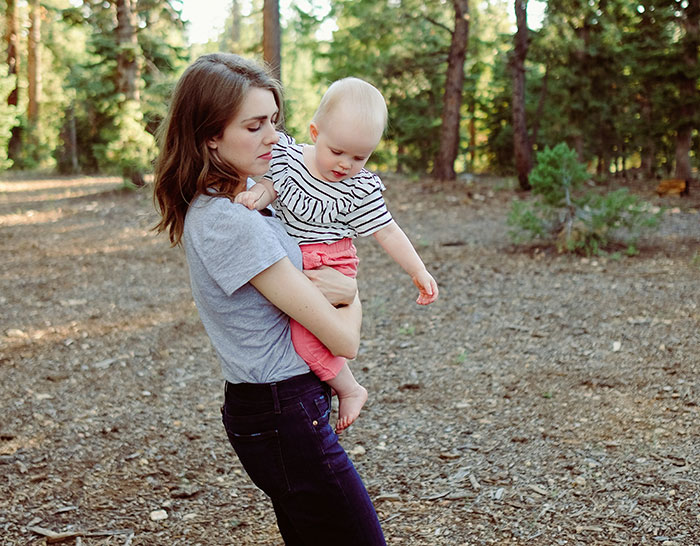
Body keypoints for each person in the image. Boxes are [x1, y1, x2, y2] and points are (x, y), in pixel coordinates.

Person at [152, 53, 386, 545]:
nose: (274, 137)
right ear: (211, 134)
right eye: (255, 125)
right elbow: (342, 339)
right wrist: (354, 296)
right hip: (283, 410)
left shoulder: (236, 204)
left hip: (279, 407)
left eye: (275, 122)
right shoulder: (230, 221)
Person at [235, 77, 439, 432]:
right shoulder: (288, 160)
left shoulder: (357, 190)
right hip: (295, 258)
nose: (345, 164)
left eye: (359, 156)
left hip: (331, 260)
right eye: (337, 151)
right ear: (315, 132)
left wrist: (418, 271)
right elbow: (271, 186)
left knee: (305, 334)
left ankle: (349, 387)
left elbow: (387, 230)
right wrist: (260, 196)